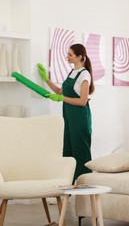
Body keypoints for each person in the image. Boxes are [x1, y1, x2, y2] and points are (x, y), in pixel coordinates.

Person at [37, 43, 94, 184]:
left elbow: (82, 101)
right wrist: (45, 79)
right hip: (68, 118)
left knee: (80, 154)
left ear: (80, 57)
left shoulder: (84, 74)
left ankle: (85, 189)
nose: (67, 57)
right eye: (67, 54)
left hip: (80, 120)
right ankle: (67, 188)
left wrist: (62, 99)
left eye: (70, 54)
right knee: (68, 152)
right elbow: (58, 91)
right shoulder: (71, 73)